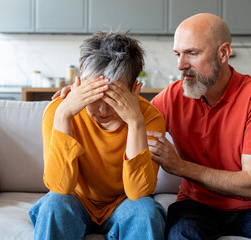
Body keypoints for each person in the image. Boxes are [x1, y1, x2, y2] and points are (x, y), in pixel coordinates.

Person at [53, 14, 251, 240]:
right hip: (196, 206)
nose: (181, 65)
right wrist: (81, 97)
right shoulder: (173, 96)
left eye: (191, 54)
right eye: (178, 54)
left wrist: (179, 167)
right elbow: (126, 119)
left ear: (224, 53)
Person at [29, 31, 166, 240]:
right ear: (79, 83)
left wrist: (135, 122)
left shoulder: (148, 118)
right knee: (53, 204)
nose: (102, 109)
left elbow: (138, 193)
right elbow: (59, 187)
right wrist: (64, 115)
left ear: (133, 88)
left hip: (124, 204)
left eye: (113, 96)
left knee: (146, 211)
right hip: (75, 202)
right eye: (93, 94)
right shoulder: (59, 111)